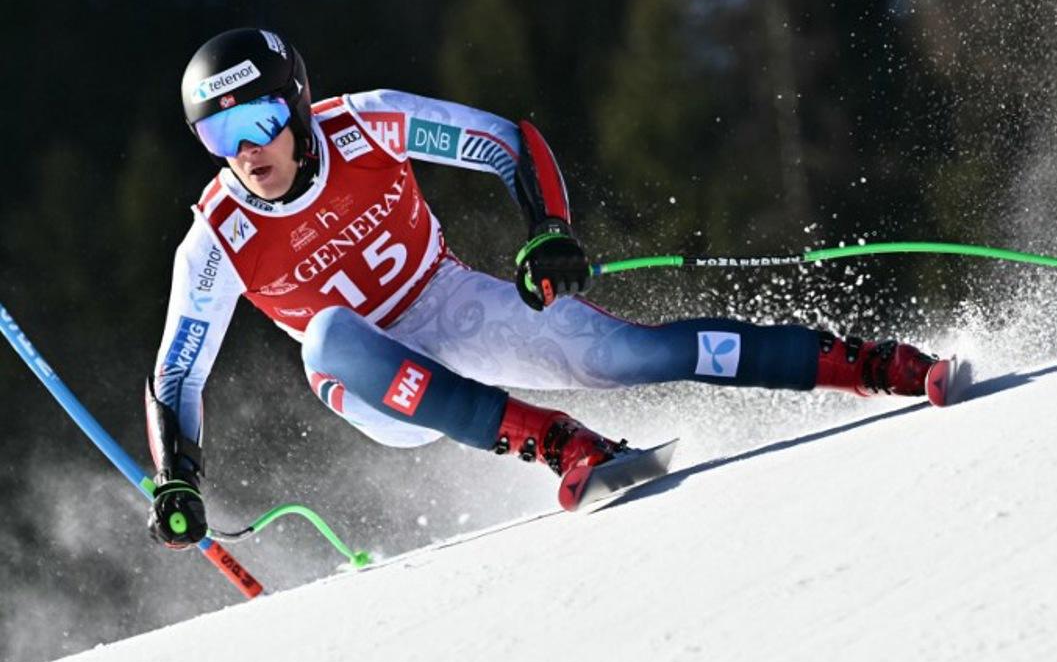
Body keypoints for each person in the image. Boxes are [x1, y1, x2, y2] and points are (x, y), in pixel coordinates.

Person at [145, 28, 943, 547]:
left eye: (256, 124)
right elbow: (178, 372)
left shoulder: (366, 125)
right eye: (219, 136)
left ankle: (870, 365)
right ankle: (561, 443)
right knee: (325, 335)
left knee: (629, 354)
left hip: (446, 303)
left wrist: (547, 229)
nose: (244, 152)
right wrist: (178, 477)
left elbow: (506, 142)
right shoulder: (218, 238)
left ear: (293, 106)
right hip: (374, 385)